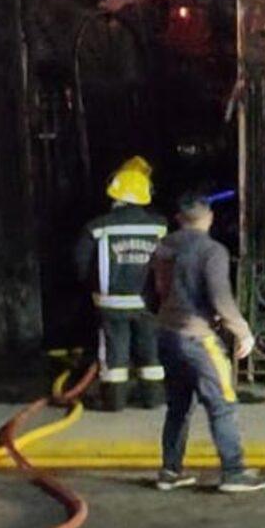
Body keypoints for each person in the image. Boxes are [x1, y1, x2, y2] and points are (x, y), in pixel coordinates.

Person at [144, 192, 265, 494]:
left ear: (179, 219)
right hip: (198, 337)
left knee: (178, 406)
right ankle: (234, 471)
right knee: (222, 403)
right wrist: (242, 331)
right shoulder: (212, 251)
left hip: (167, 334)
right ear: (209, 218)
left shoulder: (162, 248)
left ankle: (170, 470)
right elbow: (220, 297)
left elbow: (149, 291)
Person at [74, 156, 169, 410]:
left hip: (111, 302)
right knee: (150, 352)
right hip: (149, 302)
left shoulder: (97, 227)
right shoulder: (159, 226)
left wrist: (92, 289)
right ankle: (153, 399)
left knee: (115, 353)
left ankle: (114, 402)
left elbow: (81, 263)